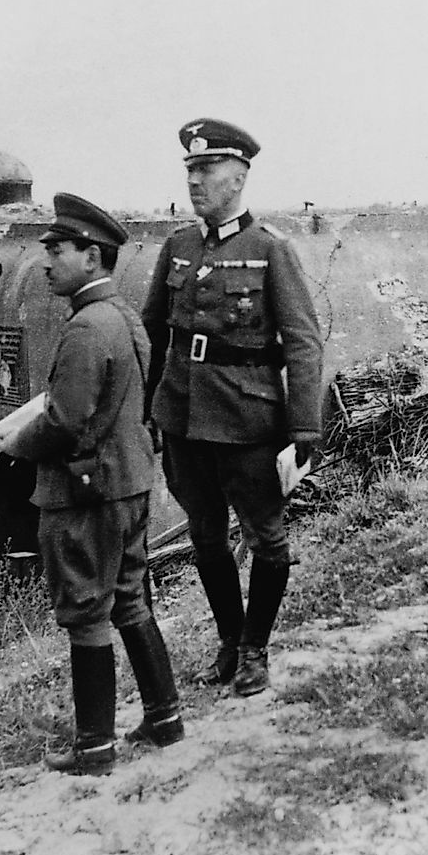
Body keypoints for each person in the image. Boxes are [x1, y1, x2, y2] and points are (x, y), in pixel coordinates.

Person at [1, 193, 182, 775]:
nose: (47, 261)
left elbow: (66, 421)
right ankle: (164, 718)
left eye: (57, 250)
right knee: (129, 599)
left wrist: (11, 443)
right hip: (127, 484)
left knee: (86, 611)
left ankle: (95, 748)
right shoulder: (124, 317)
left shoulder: (86, 326)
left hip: (87, 493)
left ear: (92, 256)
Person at [142, 120, 324, 696]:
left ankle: (255, 649)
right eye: (191, 170)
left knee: (267, 539)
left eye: (208, 170)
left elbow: (302, 341)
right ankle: (229, 641)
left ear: (239, 176)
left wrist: (304, 427)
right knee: (205, 534)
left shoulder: (270, 249)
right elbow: (152, 332)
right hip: (183, 414)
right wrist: (148, 410)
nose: (196, 181)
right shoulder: (178, 247)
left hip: (248, 419)